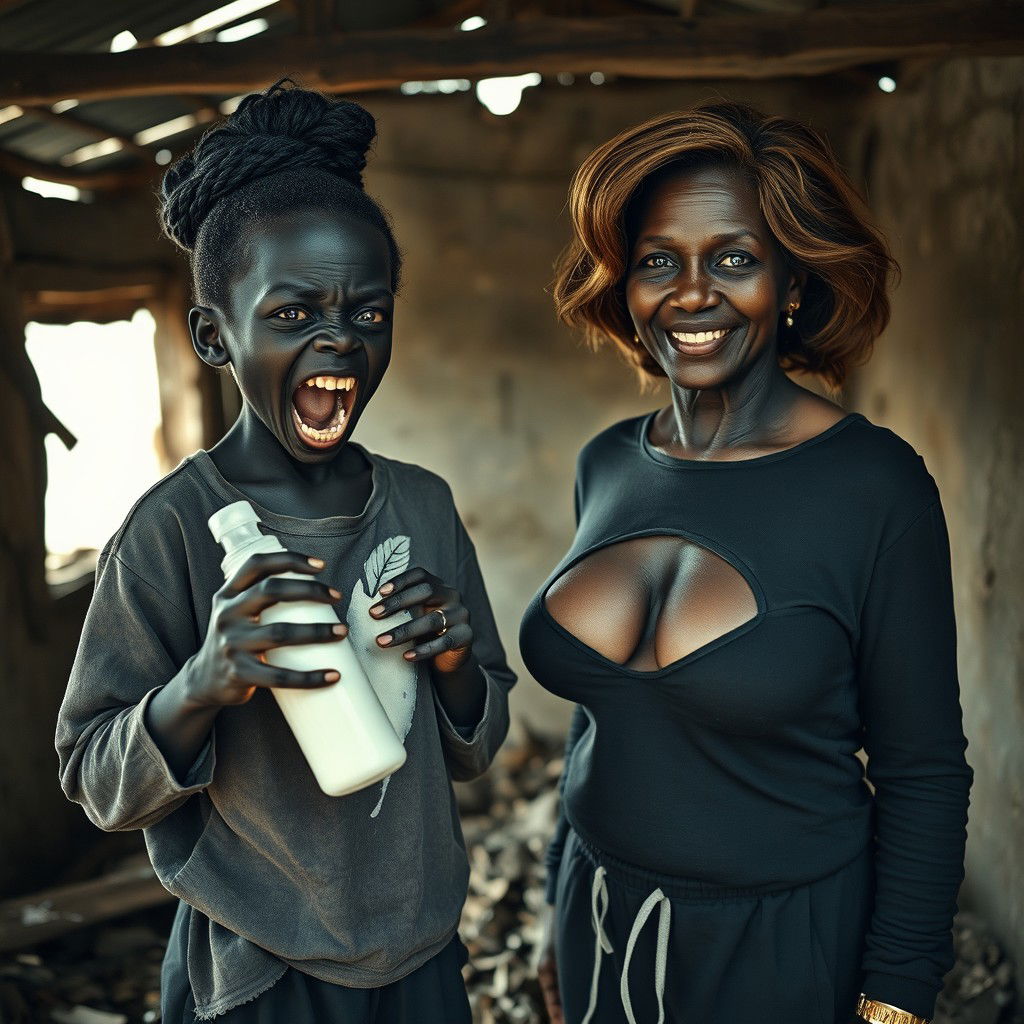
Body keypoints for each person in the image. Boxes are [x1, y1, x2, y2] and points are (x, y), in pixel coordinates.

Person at [55, 80, 515, 1023]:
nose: (339, 341)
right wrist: (204, 682)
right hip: (255, 971)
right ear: (214, 337)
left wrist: (460, 666)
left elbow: (479, 745)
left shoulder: (421, 505)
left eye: (368, 313)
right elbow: (95, 779)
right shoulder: (172, 532)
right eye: (294, 315)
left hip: (420, 954)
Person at [519, 103, 971, 1024]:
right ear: (626, 283)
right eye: (658, 261)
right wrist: (557, 905)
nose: (691, 293)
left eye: (733, 258)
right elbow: (602, 722)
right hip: (598, 922)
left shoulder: (873, 486)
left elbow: (924, 768)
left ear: (791, 281)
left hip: (783, 951)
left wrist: (897, 996)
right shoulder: (606, 462)